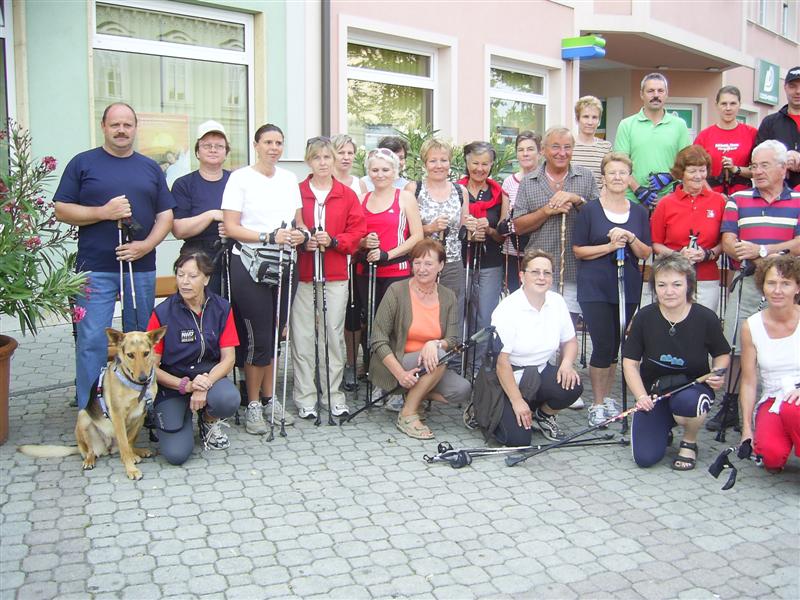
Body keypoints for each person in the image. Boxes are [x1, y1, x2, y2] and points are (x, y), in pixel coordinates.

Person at [54, 102, 175, 410]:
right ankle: (92, 410)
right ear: (104, 127)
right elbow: (62, 209)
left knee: (140, 345)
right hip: (95, 269)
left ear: (135, 128)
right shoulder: (83, 163)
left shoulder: (150, 167)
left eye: (127, 125)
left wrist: (146, 245)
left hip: (141, 268)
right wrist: (102, 212)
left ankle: (136, 409)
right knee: (93, 342)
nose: (122, 130)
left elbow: (166, 215)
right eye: (115, 124)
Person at [222, 124, 308, 434]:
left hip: (285, 264)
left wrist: (301, 234)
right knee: (258, 337)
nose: (274, 147)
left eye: (279, 143)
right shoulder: (240, 178)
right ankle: (254, 405)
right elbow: (231, 227)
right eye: (268, 142)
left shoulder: (288, 179)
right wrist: (268, 236)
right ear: (256, 145)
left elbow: (299, 222)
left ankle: (271, 398)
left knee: (275, 335)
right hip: (249, 264)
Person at [712, 140, 800, 431]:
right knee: (736, 343)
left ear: (783, 168)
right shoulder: (739, 198)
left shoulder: (798, 200)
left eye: (764, 165)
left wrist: (762, 251)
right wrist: (738, 249)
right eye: (753, 165)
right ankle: (731, 405)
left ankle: (784, 400)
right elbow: (727, 238)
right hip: (748, 281)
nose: (756, 171)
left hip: (788, 285)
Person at [623, 254, 730, 470]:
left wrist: (718, 372)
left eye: (676, 284)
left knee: (687, 404)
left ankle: (689, 441)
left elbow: (722, 353)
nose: (668, 291)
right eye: (661, 285)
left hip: (693, 389)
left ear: (688, 285)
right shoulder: (644, 317)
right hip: (655, 394)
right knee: (645, 458)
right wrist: (641, 396)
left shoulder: (705, 317)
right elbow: (630, 362)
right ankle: (664, 428)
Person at [573, 152, 652, 427]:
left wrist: (629, 237)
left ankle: (607, 398)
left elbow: (645, 252)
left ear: (629, 178)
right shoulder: (589, 210)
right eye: (612, 173)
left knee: (617, 343)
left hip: (627, 286)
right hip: (595, 286)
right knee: (603, 343)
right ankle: (596, 403)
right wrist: (609, 246)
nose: (617, 177)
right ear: (603, 177)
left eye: (623, 173)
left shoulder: (639, 212)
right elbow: (579, 250)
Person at [293, 137, 367, 418]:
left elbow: (356, 232)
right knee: (302, 335)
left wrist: (334, 241)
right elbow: (288, 227)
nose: (322, 163)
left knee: (333, 335)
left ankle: (332, 393)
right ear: (308, 161)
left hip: (335, 274)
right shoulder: (297, 192)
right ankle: (305, 396)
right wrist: (304, 241)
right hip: (304, 273)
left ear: (334, 160)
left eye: (327, 157)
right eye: (316, 158)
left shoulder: (346, 194)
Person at [369, 239, 471, 439]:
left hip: (430, 364)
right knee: (440, 357)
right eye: (417, 263)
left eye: (428, 263)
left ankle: (411, 395)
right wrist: (400, 374)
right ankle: (408, 413)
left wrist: (433, 344)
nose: (421, 269)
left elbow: (452, 339)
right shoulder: (397, 291)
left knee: (462, 390)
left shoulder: (448, 296)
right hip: (397, 361)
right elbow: (378, 339)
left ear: (441, 266)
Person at [146, 252, 239, 463]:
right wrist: (186, 386)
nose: (185, 282)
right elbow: (152, 367)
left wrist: (204, 384)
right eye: (180, 275)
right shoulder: (162, 313)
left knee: (228, 399)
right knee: (176, 455)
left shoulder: (222, 308)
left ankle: (207, 421)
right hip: (173, 386)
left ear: (206, 278)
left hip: (209, 378)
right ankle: (178, 417)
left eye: (192, 276)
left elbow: (228, 359)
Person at [490, 251, 583, 444]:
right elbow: (502, 363)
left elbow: (570, 341)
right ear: (522, 276)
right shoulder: (507, 309)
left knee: (573, 385)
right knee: (519, 440)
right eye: (535, 272)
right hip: (509, 377)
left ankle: (543, 415)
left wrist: (566, 364)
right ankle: (488, 408)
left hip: (539, 371)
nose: (542, 277)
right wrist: (516, 401)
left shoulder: (557, 301)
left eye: (547, 273)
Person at [356, 148, 423, 408]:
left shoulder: (405, 197)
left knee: (395, 330)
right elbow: (355, 236)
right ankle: (377, 381)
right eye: (375, 170)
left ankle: (395, 387)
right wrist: (364, 242)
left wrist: (388, 254)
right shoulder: (361, 199)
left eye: (386, 169)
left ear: (395, 171)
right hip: (367, 273)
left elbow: (416, 236)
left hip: (396, 271)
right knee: (372, 328)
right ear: (368, 172)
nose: (380, 174)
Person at [510, 126, 599, 316]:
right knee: (536, 325)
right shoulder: (529, 181)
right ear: (543, 150)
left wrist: (577, 200)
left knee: (569, 329)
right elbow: (518, 226)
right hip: (538, 270)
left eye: (567, 147)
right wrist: (546, 211)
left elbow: (599, 220)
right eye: (556, 147)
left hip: (575, 270)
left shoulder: (586, 177)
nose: (562, 153)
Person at [404, 138, 473, 338]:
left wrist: (473, 226)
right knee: (421, 309)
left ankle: (449, 359)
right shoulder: (413, 189)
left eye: (443, 160)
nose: (439, 165)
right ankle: (421, 355)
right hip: (422, 262)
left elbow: (464, 228)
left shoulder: (461, 191)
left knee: (452, 310)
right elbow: (405, 230)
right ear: (425, 163)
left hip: (452, 261)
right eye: (433, 161)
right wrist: (429, 228)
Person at [739, 255, 800, 472]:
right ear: (762, 286)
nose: (777, 290)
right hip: (774, 396)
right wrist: (747, 428)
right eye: (771, 283)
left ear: (797, 288)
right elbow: (748, 381)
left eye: (786, 284)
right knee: (770, 457)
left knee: (793, 409)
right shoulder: (751, 326)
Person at [650, 145, 725, 312]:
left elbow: (724, 242)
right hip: (672, 277)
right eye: (692, 171)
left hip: (707, 277)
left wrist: (708, 253)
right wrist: (678, 255)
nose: (698, 176)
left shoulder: (719, 201)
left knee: (704, 328)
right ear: (681, 173)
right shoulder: (665, 203)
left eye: (702, 170)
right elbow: (656, 243)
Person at [457, 141, 508, 373]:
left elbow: (502, 234)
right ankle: (455, 364)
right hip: (460, 260)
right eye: (475, 163)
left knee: (484, 315)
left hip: (490, 261)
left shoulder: (499, 194)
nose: (480, 168)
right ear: (467, 163)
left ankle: (479, 366)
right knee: (458, 315)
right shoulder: (456, 190)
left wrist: (488, 228)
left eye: (485, 164)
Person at [171, 120, 231, 294]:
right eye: (207, 145)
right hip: (196, 260)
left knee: (233, 313)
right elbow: (178, 230)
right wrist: (211, 215)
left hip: (233, 258)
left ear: (226, 152)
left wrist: (233, 227)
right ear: (197, 151)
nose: (213, 149)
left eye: (219, 146)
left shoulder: (237, 181)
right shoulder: (184, 184)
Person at [613, 73, 690, 207]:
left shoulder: (679, 125)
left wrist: (671, 176)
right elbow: (620, 165)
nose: (656, 95)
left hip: (669, 200)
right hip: (633, 200)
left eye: (660, 91)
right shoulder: (626, 125)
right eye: (650, 91)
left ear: (666, 94)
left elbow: (688, 163)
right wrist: (638, 190)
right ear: (642, 94)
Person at [694, 86, 757, 194]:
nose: (728, 108)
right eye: (723, 104)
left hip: (742, 196)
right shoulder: (704, 136)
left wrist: (736, 169)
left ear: (739, 105)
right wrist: (713, 196)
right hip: (711, 195)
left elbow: (759, 170)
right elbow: (694, 171)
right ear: (716, 105)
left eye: (733, 103)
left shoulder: (752, 133)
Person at [502, 131, 541, 293]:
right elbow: (502, 221)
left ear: (540, 152)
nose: (525, 154)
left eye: (530, 149)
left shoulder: (546, 179)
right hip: (513, 253)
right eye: (521, 149)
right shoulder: (509, 182)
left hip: (539, 250)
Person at [756, 66, 800, 188]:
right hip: (777, 197)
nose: (798, 91)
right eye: (793, 86)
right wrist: (783, 159)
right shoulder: (770, 123)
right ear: (785, 88)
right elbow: (757, 159)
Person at [572, 96, 613, 190]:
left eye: (594, 117)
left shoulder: (606, 147)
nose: (590, 122)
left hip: (598, 201)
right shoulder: (568, 145)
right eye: (586, 117)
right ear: (577, 119)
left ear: (599, 121)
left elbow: (608, 177)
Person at [331, 133, 363, 197]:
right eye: (341, 153)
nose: (346, 157)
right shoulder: (322, 182)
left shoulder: (359, 184)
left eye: (350, 153)